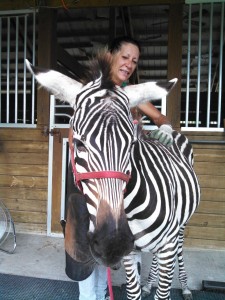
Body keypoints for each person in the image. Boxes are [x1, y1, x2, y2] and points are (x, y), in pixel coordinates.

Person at [65, 36, 174, 300]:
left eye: (134, 61)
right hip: (90, 179)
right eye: (125, 57)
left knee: (108, 248)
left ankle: (102, 294)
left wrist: (166, 128)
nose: (129, 64)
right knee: (83, 249)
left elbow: (159, 116)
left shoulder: (129, 94)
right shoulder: (89, 92)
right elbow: (74, 136)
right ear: (110, 55)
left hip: (117, 184)